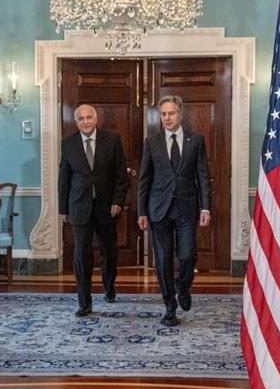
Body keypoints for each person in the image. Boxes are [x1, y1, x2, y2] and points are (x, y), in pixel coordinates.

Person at [137, 95, 211, 327]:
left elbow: (203, 176)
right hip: (159, 209)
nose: (167, 118)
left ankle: (184, 287)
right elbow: (144, 179)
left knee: (187, 255)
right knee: (162, 259)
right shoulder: (152, 142)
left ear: (180, 114)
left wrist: (206, 207)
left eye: (171, 113)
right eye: (163, 114)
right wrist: (141, 211)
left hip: (186, 208)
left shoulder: (195, 140)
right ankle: (169, 306)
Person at [59, 104, 130, 317]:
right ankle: (84, 302)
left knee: (109, 251)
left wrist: (118, 201)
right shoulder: (68, 144)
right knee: (82, 254)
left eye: (89, 117)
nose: (86, 121)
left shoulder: (112, 139)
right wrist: (63, 209)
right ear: (76, 122)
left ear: (96, 119)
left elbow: (121, 175)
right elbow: (64, 179)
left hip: (107, 207)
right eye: (81, 118)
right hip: (79, 207)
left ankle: (109, 287)